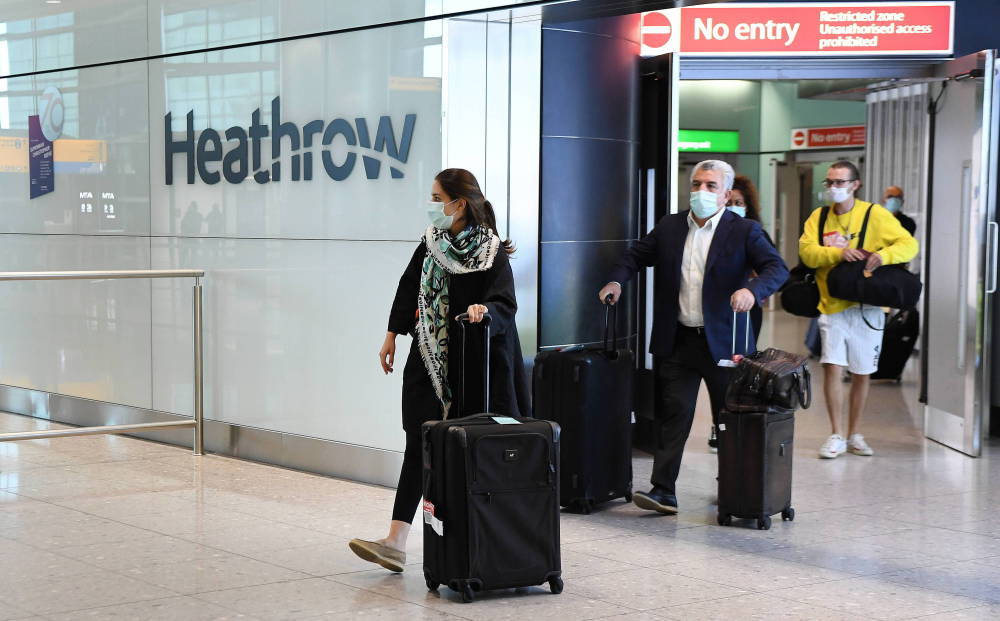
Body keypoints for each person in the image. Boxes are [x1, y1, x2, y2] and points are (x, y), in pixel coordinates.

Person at [349, 168, 529, 571]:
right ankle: (395, 542)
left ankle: (479, 544)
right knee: (420, 443)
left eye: (436, 198)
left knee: (470, 453)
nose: (431, 206)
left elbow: (506, 305)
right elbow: (408, 287)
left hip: (474, 369)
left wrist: (485, 310)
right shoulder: (431, 244)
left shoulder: (491, 251)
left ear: (458, 204)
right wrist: (392, 334)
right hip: (429, 363)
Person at [599, 160, 788, 515]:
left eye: (711, 186)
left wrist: (752, 289)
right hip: (679, 340)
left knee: (729, 420)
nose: (702, 191)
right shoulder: (670, 226)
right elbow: (635, 256)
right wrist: (615, 281)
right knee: (674, 415)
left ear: (726, 194)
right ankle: (663, 490)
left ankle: (735, 488)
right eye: (697, 184)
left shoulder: (743, 230)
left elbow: (777, 268)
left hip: (725, 343)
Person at [800, 162, 918, 459]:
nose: (833, 187)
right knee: (832, 365)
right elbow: (807, 253)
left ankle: (854, 433)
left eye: (840, 182)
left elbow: (909, 245)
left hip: (868, 307)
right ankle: (836, 433)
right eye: (829, 182)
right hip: (832, 305)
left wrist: (883, 255)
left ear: (855, 184)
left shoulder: (874, 214)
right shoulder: (819, 217)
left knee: (862, 371)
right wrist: (838, 253)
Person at [704, 174, 774, 452]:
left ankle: (734, 423)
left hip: (745, 311)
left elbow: (772, 270)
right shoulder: (711, 231)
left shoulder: (754, 232)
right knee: (718, 372)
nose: (734, 206)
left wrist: (753, 288)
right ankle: (718, 424)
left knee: (740, 367)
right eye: (730, 201)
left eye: (740, 203)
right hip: (715, 311)